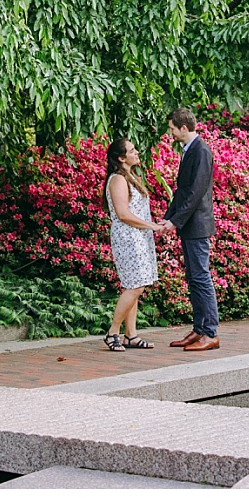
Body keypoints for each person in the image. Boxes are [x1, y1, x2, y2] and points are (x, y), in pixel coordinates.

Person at [157, 107, 219, 351]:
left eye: (172, 128)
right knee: (194, 278)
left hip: (198, 225)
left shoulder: (201, 151)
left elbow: (195, 193)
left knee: (201, 277)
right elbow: (182, 191)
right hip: (190, 225)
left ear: (184, 127)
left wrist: (175, 221)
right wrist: (168, 218)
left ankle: (211, 332)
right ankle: (199, 329)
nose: (170, 132)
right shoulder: (190, 150)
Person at [102, 136, 162, 351]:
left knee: (134, 285)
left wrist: (151, 226)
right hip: (128, 237)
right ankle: (113, 332)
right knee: (136, 285)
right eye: (132, 151)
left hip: (138, 236)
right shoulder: (118, 179)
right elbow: (123, 214)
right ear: (121, 157)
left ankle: (131, 335)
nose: (136, 153)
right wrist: (152, 226)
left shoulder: (130, 176)